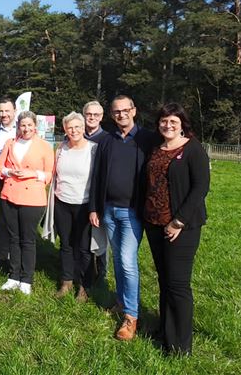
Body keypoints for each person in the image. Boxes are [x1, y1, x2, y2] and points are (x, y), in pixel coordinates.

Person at [143, 103, 210, 356]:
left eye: (173, 121)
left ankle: (181, 346)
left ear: (182, 123)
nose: (168, 125)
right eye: (163, 121)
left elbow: (200, 188)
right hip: (154, 223)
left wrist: (179, 221)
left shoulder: (193, 149)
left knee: (178, 284)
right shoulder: (156, 147)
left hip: (181, 226)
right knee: (164, 280)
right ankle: (164, 331)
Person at [89, 95, 156, 340]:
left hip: (132, 213)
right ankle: (121, 301)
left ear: (134, 111)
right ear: (112, 114)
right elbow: (97, 175)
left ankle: (131, 316)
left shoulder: (146, 139)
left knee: (128, 262)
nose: (121, 115)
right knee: (118, 259)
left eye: (125, 110)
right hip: (108, 210)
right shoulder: (107, 140)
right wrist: (94, 208)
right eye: (116, 111)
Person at [0, 110, 54, 295]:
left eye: (30, 125)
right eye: (23, 125)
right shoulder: (10, 143)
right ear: (18, 126)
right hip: (10, 194)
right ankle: (13, 276)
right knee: (13, 238)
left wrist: (32, 174)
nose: (26, 128)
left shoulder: (44, 146)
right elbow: (0, 167)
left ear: (35, 126)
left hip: (33, 198)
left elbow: (49, 173)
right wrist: (9, 172)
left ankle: (27, 279)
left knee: (28, 239)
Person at [52, 112, 98, 301]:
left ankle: (84, 286)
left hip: (85, 205)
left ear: (84, 128)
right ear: (65, 129)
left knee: (84, 247)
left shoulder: (93, 149)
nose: (74, 130)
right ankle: (66, 281)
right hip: (62, 202)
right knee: (66, 244)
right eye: (70, 127)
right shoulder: (60, 148)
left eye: (78, 127)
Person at [83, 100, 109, 286]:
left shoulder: (107, 139)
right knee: (83, 235)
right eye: (89, 114)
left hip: (99, 194)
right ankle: (86, 269)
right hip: (79, 193)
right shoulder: (77, 135)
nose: (92, 118)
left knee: (99, 235)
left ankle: (101, 273)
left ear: (101, 117)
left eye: (96, 115)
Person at [0, 97, 17, 271]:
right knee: (0, 220)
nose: (4, 114)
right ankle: (2, 256)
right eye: (1, 111)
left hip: (17, 182)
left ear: (14, 111)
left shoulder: (22, 130)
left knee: (14, 221)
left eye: (7, 111)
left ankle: (16, 256)